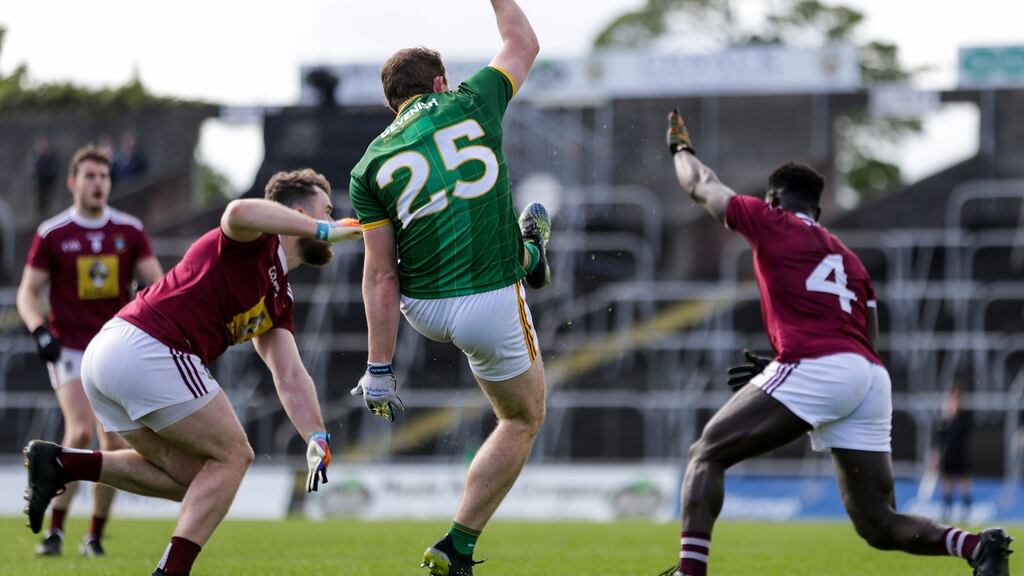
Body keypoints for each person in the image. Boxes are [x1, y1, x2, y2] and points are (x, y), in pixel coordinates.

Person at [657, 111, 1012, 576]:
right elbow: (868, 340)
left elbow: (701, 185)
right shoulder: (850, 259)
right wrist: (798, 377)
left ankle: (689, 573)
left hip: (818, 366)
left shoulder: (770, 220)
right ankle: (978, 548)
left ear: (774, 198)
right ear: (819, 212)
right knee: (878, 523)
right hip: (868, 376)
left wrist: (681, 150)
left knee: (706, 453)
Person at [22, 168, 362, 576]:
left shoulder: (279, 299)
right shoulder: (253, 238)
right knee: (235, 454)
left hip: (115, 356)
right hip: (148, 348)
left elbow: (289, 374)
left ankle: (62, 464)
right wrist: (324, 230)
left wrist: (317, 435)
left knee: (193, 476)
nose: (336, 219)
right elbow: (238, 209)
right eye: (328, 210)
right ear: (300, 211)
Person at [348, 2, 547, 574]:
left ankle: (528, 251)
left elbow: (380, 275)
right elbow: (523, 43)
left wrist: (379, 366)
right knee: (521, 419)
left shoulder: (369, 165)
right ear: (440, 82)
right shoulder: (471, 97)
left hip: (422, 307)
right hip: (488, 297)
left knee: (477, 241)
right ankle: (457, 544)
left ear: (391, 102)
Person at [16, 144, 164, 557]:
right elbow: (27, 293)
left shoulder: (129, 231)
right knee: (79, 431)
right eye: (91, 177)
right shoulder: (53, 233)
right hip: (69, 349)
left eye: (104, 177)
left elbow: (158, 286)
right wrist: (39, 330)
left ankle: (94, 535)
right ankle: (55, 531)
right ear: (73, 183)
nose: (99, 183)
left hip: (114, 351)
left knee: (113, 444)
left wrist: (147, 311)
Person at [934, 385, 974, 521]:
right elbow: (940, 437)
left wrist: (953, 418)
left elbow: (962, 432)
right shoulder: (944, 419)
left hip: (961, 455)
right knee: (947, 484)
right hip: (948, 456)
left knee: (964, 484)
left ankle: (966, 512)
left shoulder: (965, 416)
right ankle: (946, 511)